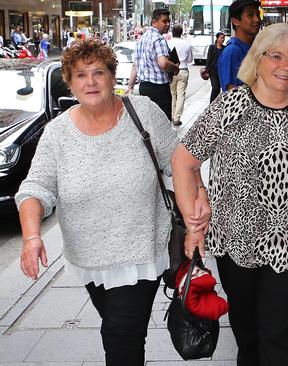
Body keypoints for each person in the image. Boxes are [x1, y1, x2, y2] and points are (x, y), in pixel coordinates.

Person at [15, 39, 204, 366]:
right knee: (119, 328)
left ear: (112, 76)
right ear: (70, 83)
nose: (90, 82)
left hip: (141, 250)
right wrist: (32, 238)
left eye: (98, 72)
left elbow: (179, 161)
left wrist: (197, 207)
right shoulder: (58, 133)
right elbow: (36, 187)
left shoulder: (141, 111)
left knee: (120, 334)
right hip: (89, 256)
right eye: (80, 75)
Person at [172, 23, 288, 365]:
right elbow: (183, 161)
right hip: (236, 242)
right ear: (257, 60)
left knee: (280, 334)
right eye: (275, 56)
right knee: (248, 335)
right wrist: (194, 224)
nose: (285, 66)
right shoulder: (229, 106)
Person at [127, 8, 179, 121]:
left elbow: (135, 65)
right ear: (154, 22)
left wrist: (130, 87)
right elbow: (163, 63)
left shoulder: (141, 40)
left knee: (149, 123)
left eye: (168, 21)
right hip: (159, 89)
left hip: (144, 88)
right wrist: (175, 68)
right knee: (162, 125)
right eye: (164, 21)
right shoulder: (159, 40)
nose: (168, 24)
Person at [218, 0, 261, 92]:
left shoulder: (255, 48)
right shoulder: (232, 52)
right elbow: (232, 94)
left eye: (257, 14)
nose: (257, 19)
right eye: (250, 15)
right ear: (235, 21)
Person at [168, 24, 194, 126]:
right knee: (181, 94)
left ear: (172, 32)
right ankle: (177, 118)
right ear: (181, 32)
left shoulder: (168, 43)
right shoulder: (186, 44)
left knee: (172, 94)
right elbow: (190, 60)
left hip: (171, 71)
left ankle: (171, 115)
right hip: (183, 70)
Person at [206, 32, 226, 102]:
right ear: (217, 38)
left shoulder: (224, 48)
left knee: (219, 88)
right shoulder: (212, 47)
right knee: (215, 87)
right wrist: (207, 71)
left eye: (223, 38)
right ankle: (211, 103)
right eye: (221, 38)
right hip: (213, 71)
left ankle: (216, 103)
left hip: (221, 72)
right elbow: (209, 59)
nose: (222, 39)